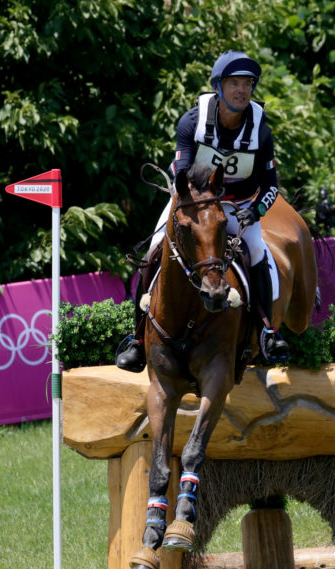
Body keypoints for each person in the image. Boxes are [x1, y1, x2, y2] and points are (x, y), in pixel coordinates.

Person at [116, 50, 288, 372]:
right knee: (154, 250)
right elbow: (182, 175)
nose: (242, 90)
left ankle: (268, 332)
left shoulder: (261, 130)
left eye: (248, 84)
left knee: (257, 252)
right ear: (219, 88)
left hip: (238, 205)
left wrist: (256, 212)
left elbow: (271, 186)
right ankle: (138, 340)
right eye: (234, 83)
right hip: (192, 201)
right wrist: (194, 207)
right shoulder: (192, 122)